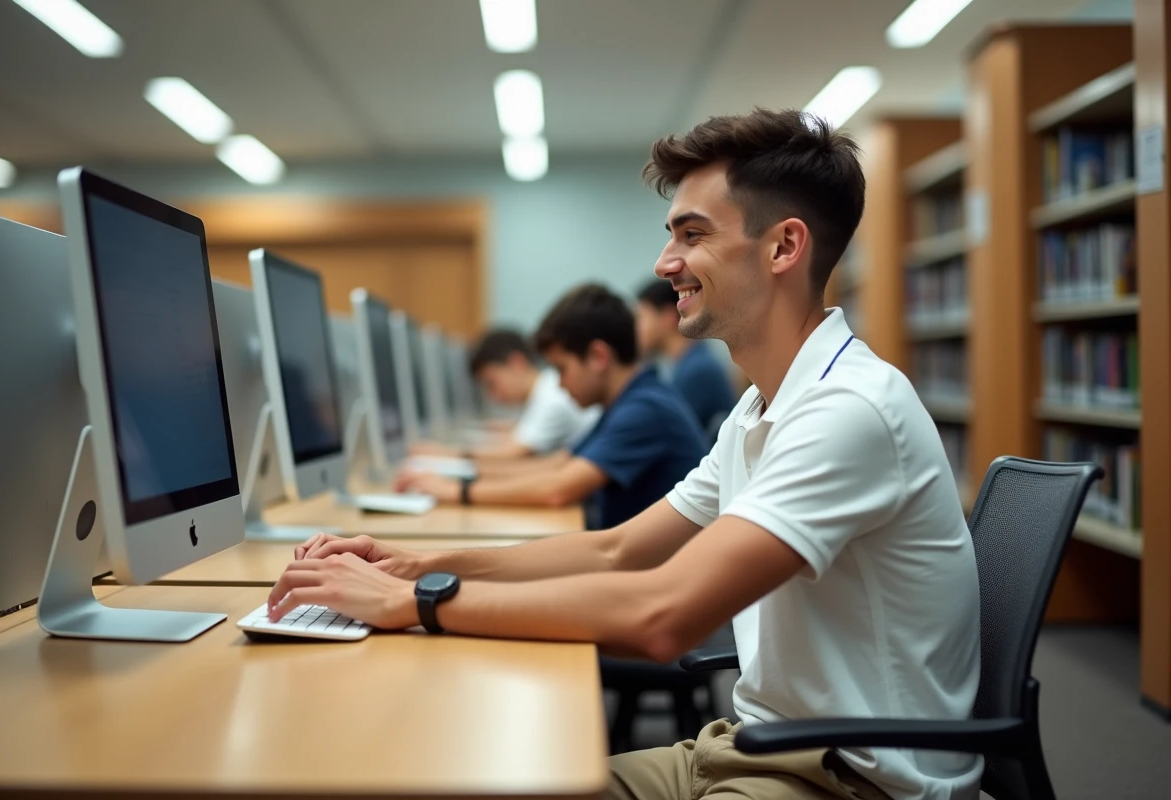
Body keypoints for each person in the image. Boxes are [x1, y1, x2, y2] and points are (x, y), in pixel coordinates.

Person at [268, 108, 982, 800]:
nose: (664, 262)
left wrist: (417, 604)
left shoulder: (847, 411)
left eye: (692, 235)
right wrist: (418, 564)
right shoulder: (761, 407)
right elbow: (614, 551)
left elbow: (659, 614)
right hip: (749, 748)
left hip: (848, 782)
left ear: (783, 247)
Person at [396, 285, 708, 530]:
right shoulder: (629, 399)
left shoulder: (646, 408)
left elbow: (556, 489)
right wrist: (459, 479)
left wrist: (455, 492)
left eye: (561, 369)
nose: (558, 385)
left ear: (598, 357)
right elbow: (557, 465)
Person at [413, 328, 599, 460]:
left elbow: (514, 453)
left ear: (516, 362)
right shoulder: (544, 390)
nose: (493, 396)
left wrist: (444, 454)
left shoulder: (552, 397)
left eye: (492, 383)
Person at [635, 277, 737, 439]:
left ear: (668, 317)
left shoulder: (698, 371)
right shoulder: (686, 365)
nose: (637, 329)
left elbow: (666, 436)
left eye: (642, 317)